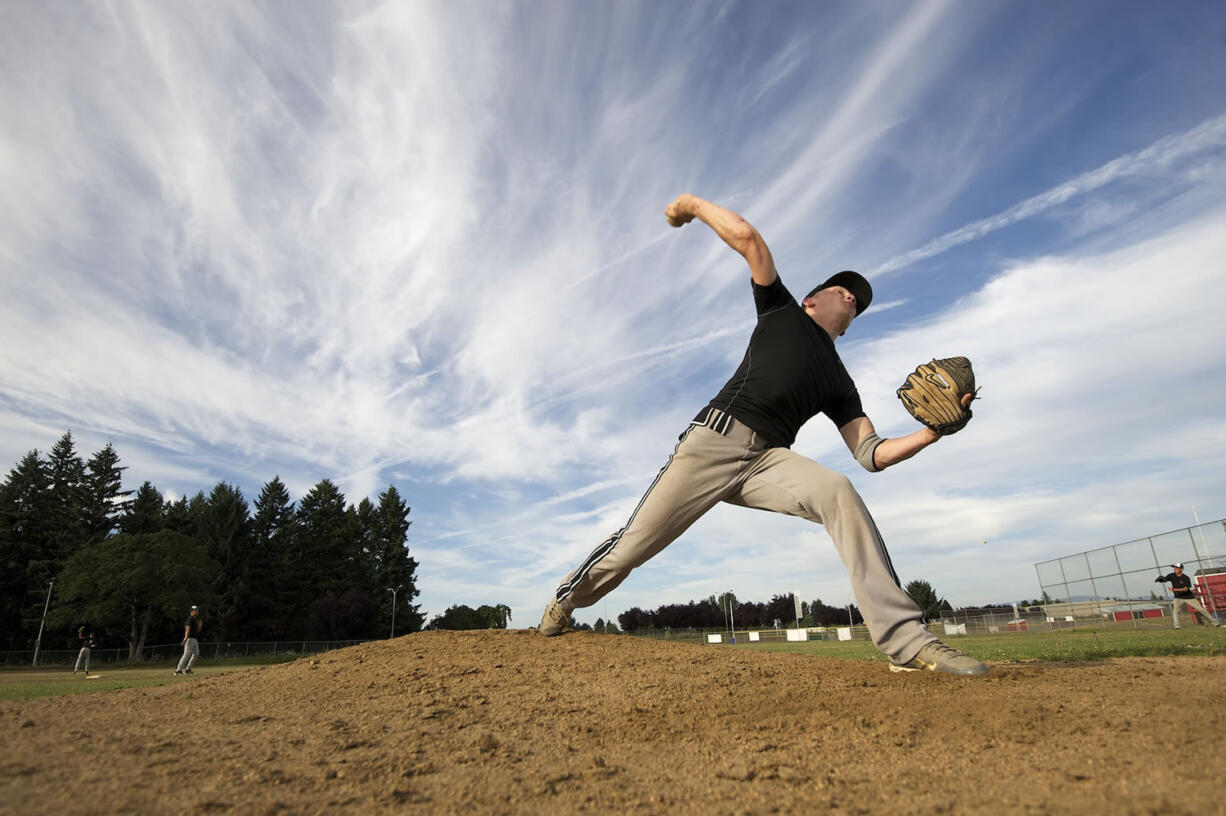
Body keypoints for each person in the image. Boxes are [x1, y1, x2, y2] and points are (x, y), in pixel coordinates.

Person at [536, 194, 988, 675]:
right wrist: (691, 205)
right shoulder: (782, 311)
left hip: (768, 463)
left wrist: (930, 433)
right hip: (713, 442)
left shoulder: (840, 381)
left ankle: (906, 643)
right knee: (633, 547)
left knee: (839, 490)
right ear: (813, 299)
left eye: (858, 301)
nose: (852, 297)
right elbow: (748, 238)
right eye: (843, 290)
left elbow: (870, 453)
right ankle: (566, 601)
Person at [1157, 563, 1221, 629]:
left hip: (1189, 597)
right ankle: (1177, 625)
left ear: (1181, 569)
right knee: (1175, 611)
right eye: (1174, 567)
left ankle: (1215, 623)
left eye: (1177, 568)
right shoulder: (1172, 575)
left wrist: (1174, 589)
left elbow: (1185, 589)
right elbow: (1165, 579)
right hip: (1178, 597)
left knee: (1201, 609)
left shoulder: (1185, 578)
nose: (1175, 569)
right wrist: (1162, 579)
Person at [174, 605, 202, 675]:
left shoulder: (195, 620)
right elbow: (187, 629)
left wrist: (199, 626)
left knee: (196, 653)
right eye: (195, 610)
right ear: (191, 611)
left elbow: (197, 631)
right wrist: (185, 638)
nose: (197, 611)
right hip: (189, 638)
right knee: (187, 654)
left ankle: (188, 669)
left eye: (197, 610)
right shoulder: (190, 619)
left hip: (194, 639)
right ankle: (178, 670)